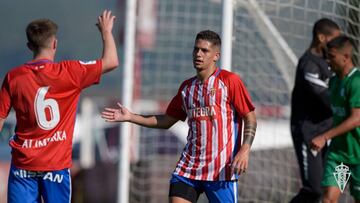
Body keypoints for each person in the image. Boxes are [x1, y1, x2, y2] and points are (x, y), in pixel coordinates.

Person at [102, 30, 257, 203]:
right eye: (196, 49)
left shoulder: (229, 81)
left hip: (221, 171)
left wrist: (245, 150)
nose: (198, 54)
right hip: (188, 168)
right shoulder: (187, 88)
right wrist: (131, 117)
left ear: (216, 56)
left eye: (204, 51)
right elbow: (167, 120)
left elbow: (249, 117)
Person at [0, 10, 118, 203]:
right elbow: (111, 61)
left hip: (23, 165)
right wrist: (106, 31)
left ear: (30, 46)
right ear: (55, 44)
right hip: (55, 168)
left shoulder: (14, 77)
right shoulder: (70, 72)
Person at [290, 18, 340, 203]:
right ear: (321, 38)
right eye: (333, 39)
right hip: (309, 134)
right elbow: (328, 98)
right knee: (314, 189)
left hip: (329, 133)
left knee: (333, 189)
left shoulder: (331, 63)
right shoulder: (309, 65)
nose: (336, 45)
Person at [311, 35, 360, 203]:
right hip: (339, 157)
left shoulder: (356, 82)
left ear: (345, 57)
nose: (328, 61)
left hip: (358, 155)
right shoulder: (333, 83)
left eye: (331, 57)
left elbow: (357, 119)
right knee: (329, 200)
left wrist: (325, 136)